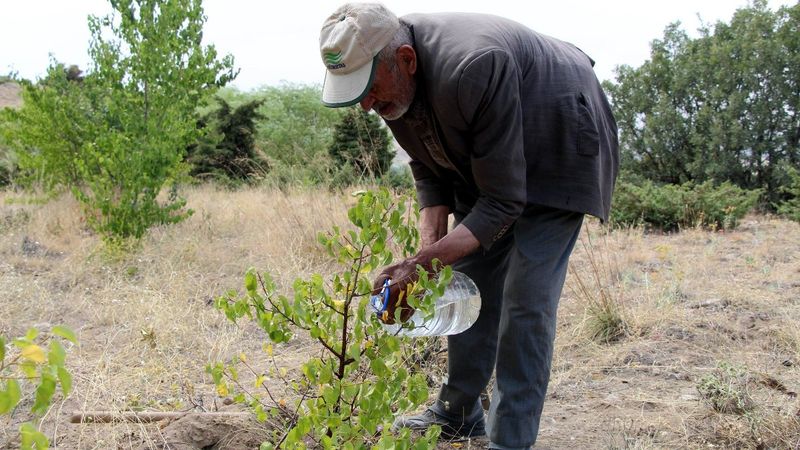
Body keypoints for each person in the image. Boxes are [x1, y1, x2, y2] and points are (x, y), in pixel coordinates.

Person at [318, 3, 619, 449]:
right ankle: (459, 413)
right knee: (468, 278)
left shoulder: (473, 65)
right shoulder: (393, 90)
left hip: (557, 137)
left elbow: (502, 201)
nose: (365, 105)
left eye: (368, 88)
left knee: (526, 301)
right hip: (492, 159)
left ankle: (510, 439)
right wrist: (428, 260)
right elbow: (428, 169)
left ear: (406, 60)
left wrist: (421, 265)